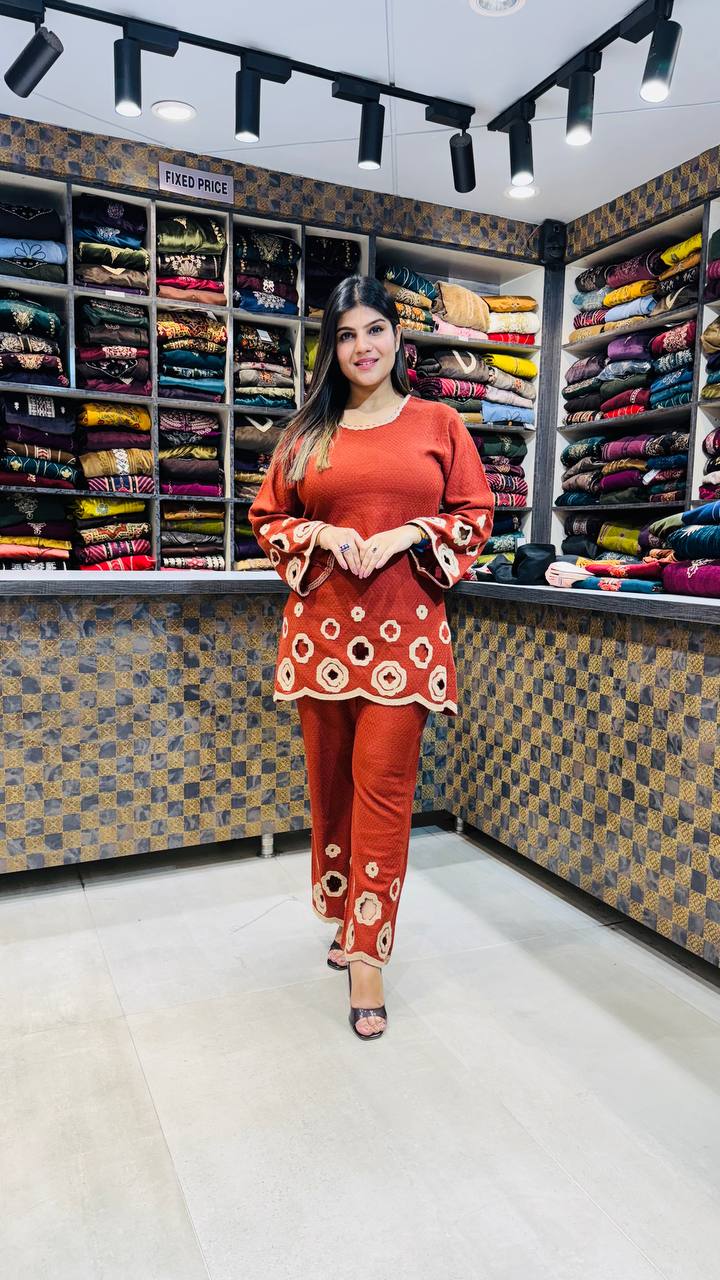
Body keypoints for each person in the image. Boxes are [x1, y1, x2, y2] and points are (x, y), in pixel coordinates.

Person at [248, 275, 493, 1040]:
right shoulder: (308, 434)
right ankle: (344, 913)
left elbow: (475, 514)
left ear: (398, 337)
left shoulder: (438, 423)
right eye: (347, 334)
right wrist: (322, 533)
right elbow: (267, 518)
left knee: (384, 790)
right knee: (332, 791)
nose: (363, 347)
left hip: (405, 643)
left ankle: (367, 955)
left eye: (375, 330)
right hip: (321, 639)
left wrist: (409, 534)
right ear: (333, 346)